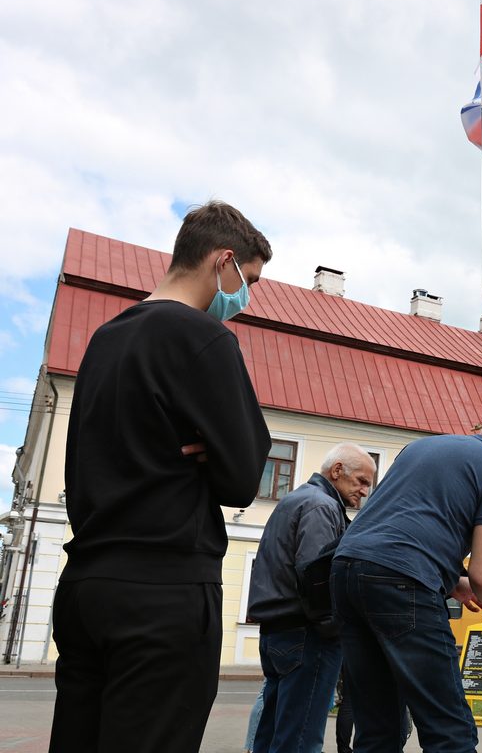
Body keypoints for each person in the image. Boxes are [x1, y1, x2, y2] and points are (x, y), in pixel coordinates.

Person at [49, 201, 273, 753]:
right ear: (224, 261)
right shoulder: (203, 338)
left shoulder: (106, 336)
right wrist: (211, 454)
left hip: (87, 583)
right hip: (163, 588)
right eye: (251, 279)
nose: (248, 295)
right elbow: (244, 476)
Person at [332, 432, 482, 753]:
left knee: (378, 727)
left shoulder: (420, 448)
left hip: (346, 571)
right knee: (450, 730)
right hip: (402, 580)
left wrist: (453, 581)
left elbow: (404, 524)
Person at [249, 443, 376, 753]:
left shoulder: (295, 498)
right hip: (308, 634)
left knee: (273, 733)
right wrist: (336, 628)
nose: (364, 491)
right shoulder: (322, 506)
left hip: (278, 631)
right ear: (336, 472)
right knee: (301, 738)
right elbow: (318, 576)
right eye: (361, 481)